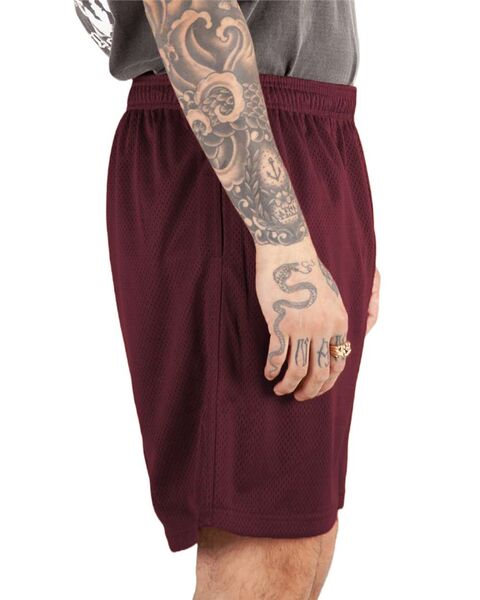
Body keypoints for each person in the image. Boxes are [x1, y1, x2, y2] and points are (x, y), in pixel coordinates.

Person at [75, 0, 380, 597]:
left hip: (308, 133)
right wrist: (285, 241)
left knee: (302, 539)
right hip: (234, 133)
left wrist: (341, 224)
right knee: (266, 536)